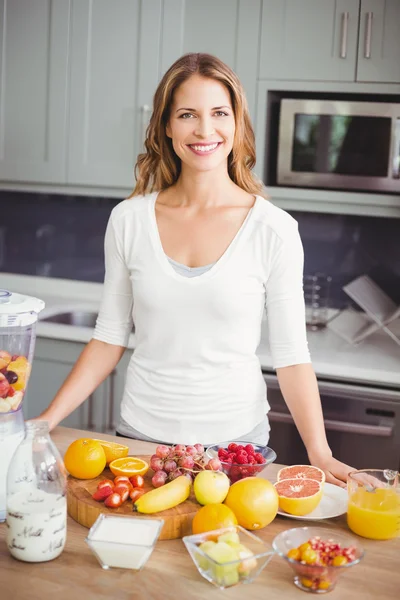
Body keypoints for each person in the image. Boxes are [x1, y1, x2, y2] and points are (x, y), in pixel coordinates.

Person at [36, 53, 352, 488]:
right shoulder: (129, 220)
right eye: (188, 114)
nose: (205, 130)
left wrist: (321, 452)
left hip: (236, 450)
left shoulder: (273, 229)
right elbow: (109, 337)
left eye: (219, 113)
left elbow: (292, 356)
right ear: (166, 125)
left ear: (237, 122)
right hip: (142, 442)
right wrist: (47, 419)